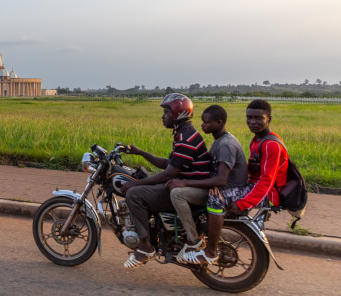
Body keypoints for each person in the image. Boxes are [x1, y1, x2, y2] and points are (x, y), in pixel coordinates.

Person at [182, 99, 289, 265]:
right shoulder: (257, 140)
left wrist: (242, 204)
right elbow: (257, 171)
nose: (253, 122)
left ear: (269, 119)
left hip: (269, 194)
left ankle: (210, 252)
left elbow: (267, 181)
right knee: (215, 192)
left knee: (217, 198)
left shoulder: (270, 144)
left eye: (259, 118)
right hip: (254, 186)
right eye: (249, 117)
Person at [120, 93, 211, 269]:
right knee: (146, 183)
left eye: (167, 112)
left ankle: (146, 247)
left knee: (134, 195)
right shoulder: (183, 134)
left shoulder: (186, 138)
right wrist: (142, 153)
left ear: (178, 113)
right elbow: (169, 164)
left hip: (191, 190)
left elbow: (169, 173)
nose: (163, 116)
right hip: (185, 184)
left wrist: (134, 184)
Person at [169, 105, 249, 265]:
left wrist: (184, 182)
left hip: (226, 191)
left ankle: (193, 241)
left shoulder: (225, 144)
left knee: (177, 193)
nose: (202, 125)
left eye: (206, 122)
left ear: (219, 123)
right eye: (202, 122)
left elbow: (221, 180)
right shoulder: (220, 140)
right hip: (219, 189)